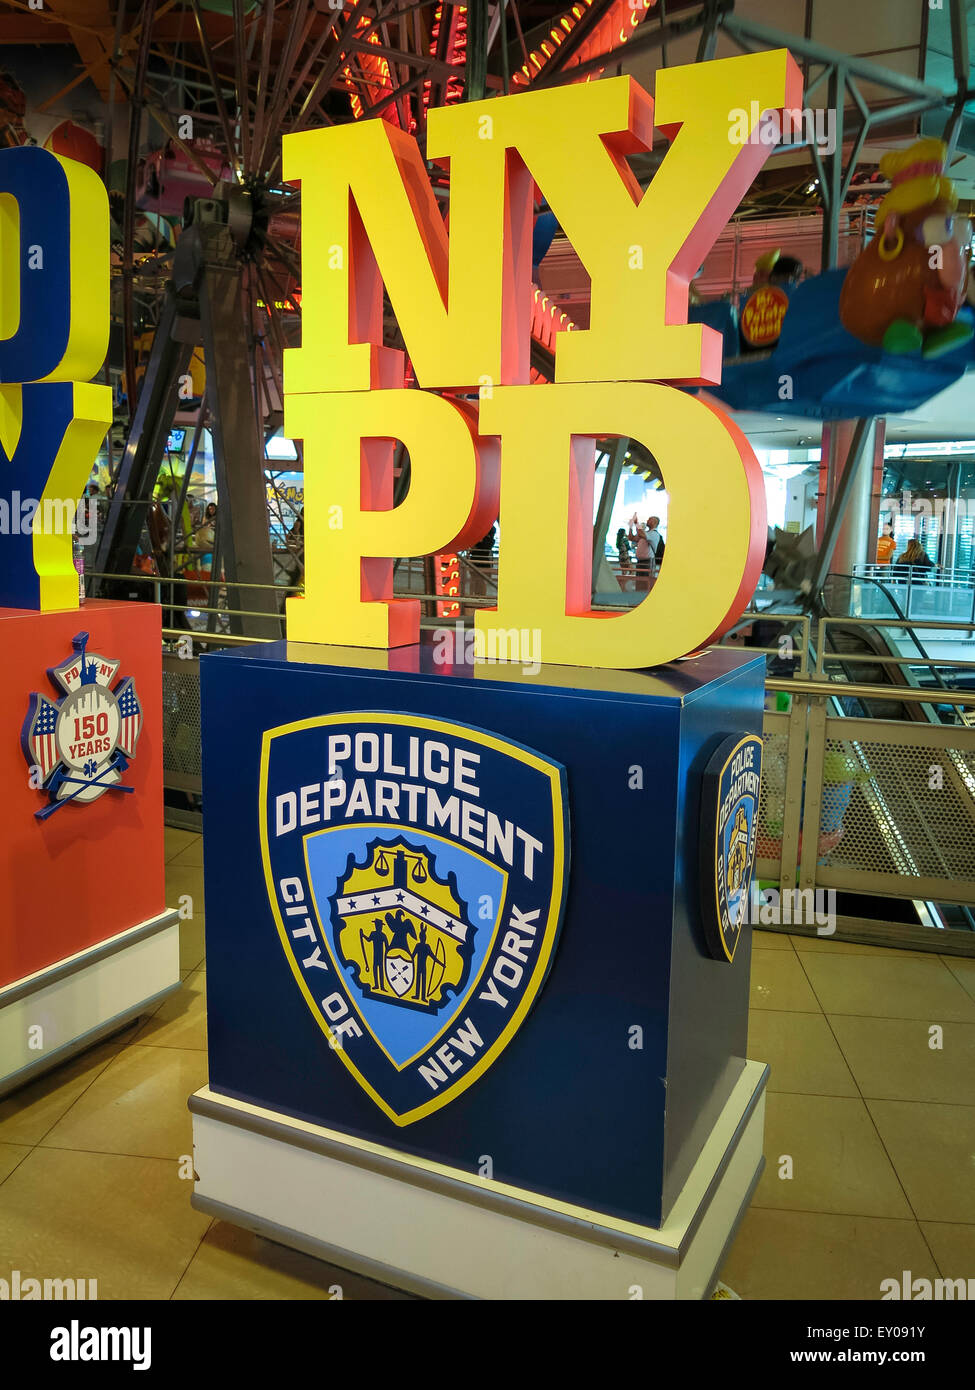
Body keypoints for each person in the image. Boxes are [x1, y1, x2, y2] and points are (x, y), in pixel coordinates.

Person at [628, 513, 651, 592]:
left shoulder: (648, 535)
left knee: (644, 580)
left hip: (646, 562)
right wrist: (630, 527)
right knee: (639, 579)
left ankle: (643, 595)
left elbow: (640, 532)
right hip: (640, 561)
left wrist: (635, 523)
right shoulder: (641, 536)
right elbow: (631, 538)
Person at [645, 515, 664, 581]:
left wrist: (638, 525)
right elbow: (632, 538)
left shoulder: (653, 534)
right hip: (644, 562)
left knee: (645, 583)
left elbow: (641, 534)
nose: (647, 521)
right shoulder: (648, 533)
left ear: (654, 522)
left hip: (648, 562)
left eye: (649, 519)